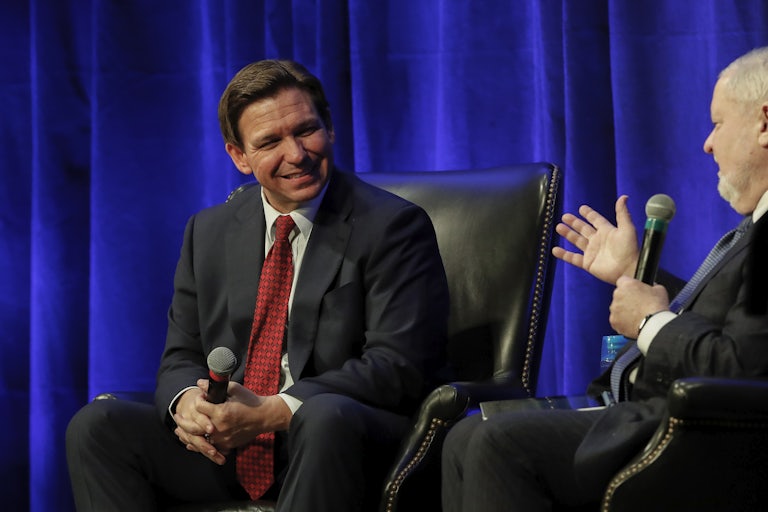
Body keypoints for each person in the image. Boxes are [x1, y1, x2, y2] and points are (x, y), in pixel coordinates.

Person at [66, 59, 449, 512]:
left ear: (329, 127)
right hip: (232, 450)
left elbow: (397, 365)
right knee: (98, 425)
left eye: (306, 130)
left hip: (337, 441)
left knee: (323, 417)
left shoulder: (392, 227)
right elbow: (180, 356)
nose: (296, 154)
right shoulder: (207, 231)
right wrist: (185, 403)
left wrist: (272, 411)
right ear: (239, 156)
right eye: (270, 141)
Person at [441, 46, 768, 511]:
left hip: (698, 438)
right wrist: (635, 275)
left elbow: (744, 370)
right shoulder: (752, 227)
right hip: (652, 414)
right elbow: (726, 327)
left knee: (500, 443)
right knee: (467, 433)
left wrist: (650, 322)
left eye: (717, 123)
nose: (707, 144)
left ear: (764, 123)